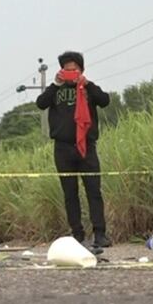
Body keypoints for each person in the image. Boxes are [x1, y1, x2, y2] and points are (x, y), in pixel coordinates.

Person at [36, 51, 112, 248]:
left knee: (94, 191)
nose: (71, 73)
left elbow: (105, 100)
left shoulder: (89, 88)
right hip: (62, 147)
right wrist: (56, 84)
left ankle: (100, 233)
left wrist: (87, 84)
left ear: (82, 70)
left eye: (74, 70)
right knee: (70, 193)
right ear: (61, 71)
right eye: (67, 70)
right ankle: (77, 234)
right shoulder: (56, 90)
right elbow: (41, 103)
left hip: (87, 145)